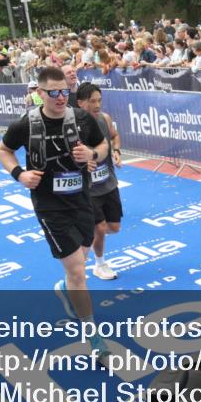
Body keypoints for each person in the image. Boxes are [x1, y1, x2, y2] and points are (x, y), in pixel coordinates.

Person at [0, 67, 111, 357]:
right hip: (49, 206)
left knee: (78, 267)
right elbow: (3, 150)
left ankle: (65, 286)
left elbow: (102, 145)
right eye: (54, 93)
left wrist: (93, 155)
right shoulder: (26, 124)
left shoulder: (82, 118)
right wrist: (19, 174)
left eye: (65, 92)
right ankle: (93, 336)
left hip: (82, 200)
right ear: (40, 93)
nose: (61, 98)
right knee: (78, 272)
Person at [75, 82, 123, 280]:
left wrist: (117, 151)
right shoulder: (73, 126)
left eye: (99, 101)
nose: (97, 105)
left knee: (113, 227)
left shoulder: (105, 118)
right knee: (100, 228)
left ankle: (86, 236)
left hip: (109, 183)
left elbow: (115, 136)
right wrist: (82, 164)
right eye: (92, 101)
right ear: (80, 103)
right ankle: (99, 263)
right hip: (89, 189)